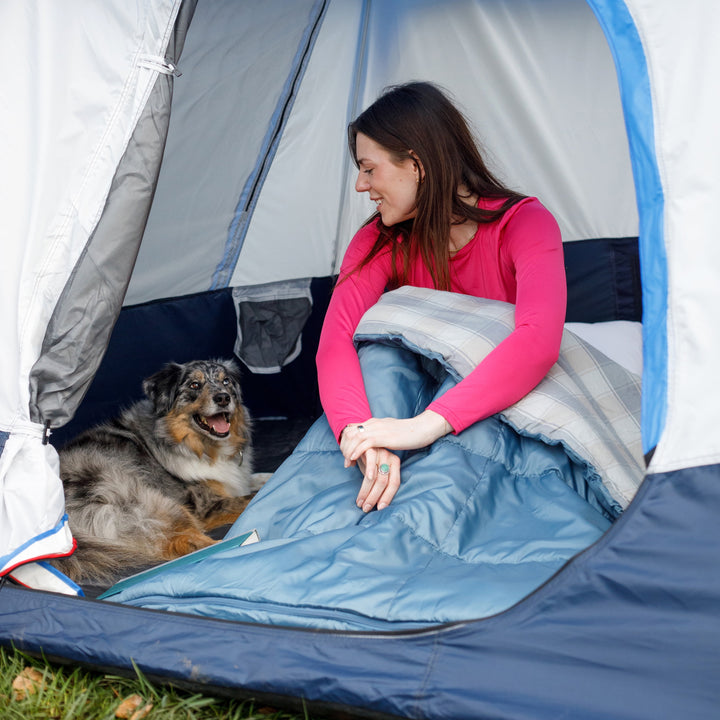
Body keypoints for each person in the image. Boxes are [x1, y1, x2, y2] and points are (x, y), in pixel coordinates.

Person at [316, 81, 566, 514]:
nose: (360, 185)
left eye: (368, 168)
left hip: (484, 406)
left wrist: (421, 428)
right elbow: (334, 344)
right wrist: (361, 438)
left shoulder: (525, 224)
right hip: (408, 403)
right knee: (378, 357)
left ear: (416, 165)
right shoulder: (379, 241)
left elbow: (538, 341)